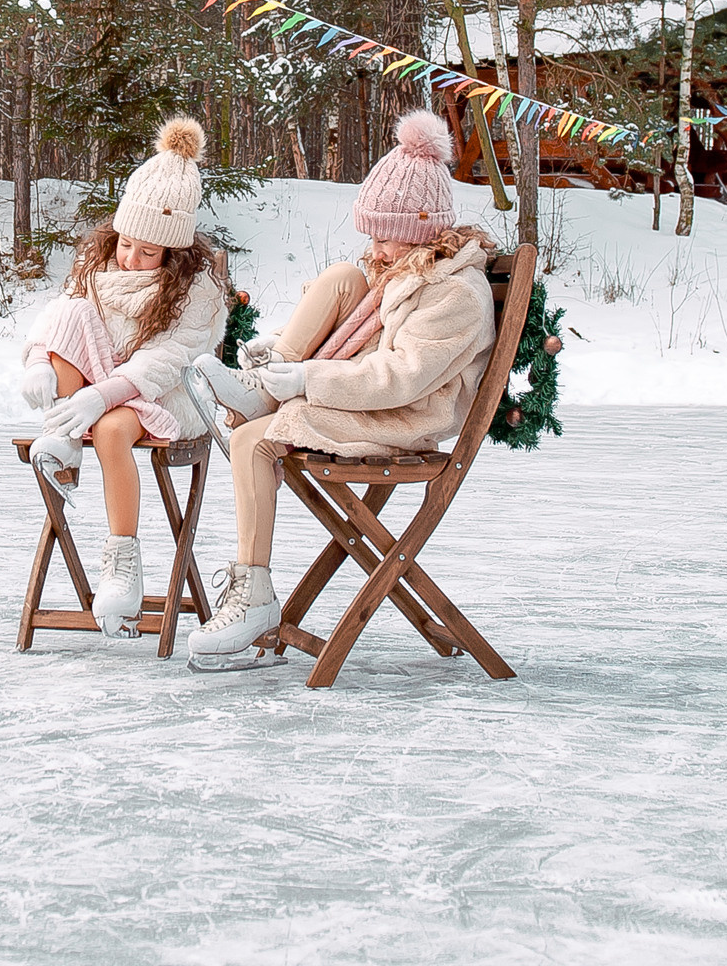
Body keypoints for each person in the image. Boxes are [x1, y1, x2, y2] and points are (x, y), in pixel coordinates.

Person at [181, 110, 498, 670]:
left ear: (423, 232)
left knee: (256, 440)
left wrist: (307, 380)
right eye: (372, 234)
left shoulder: (457, 294)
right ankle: (264, 382)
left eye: (385, 237)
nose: (375, 248)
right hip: (370, 398)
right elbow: (353, 336)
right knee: (340, 279)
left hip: (407, 415)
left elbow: (400, 377)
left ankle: (254, 593)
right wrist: (283, 355)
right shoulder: (400, 275)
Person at [20, 116, 229, 636]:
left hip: (167, 393)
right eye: (126, 243)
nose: (132, 259)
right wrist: (38, 361)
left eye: (149, 251)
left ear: (174, 253)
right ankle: (65, 442)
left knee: (113, 426)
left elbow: (170, 358)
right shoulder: (97, 268)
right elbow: (60, 317)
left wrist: (103, 397)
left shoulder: (196, 290)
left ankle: (122, 563)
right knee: (68, 316)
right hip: (98, 387)